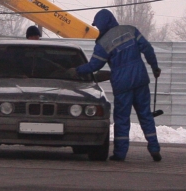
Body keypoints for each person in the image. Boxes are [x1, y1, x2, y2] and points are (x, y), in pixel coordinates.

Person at [67, 9, 162, 162]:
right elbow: (148, 49)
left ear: (102, 24)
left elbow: (94, 65)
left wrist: (77, 70)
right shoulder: (130, 30)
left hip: (122, 84)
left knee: (122, 119)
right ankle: (154, 149)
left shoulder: (103, 43)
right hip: (140, 79)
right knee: (145, 115)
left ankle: (120, 154)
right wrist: (155, 67)